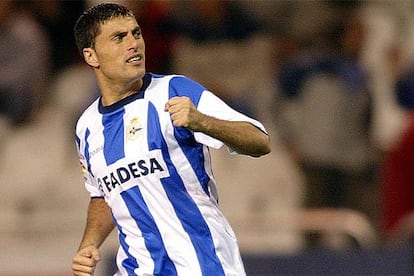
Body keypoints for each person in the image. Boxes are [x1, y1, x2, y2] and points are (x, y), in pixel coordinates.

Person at [71, 3, 271, 276]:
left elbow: (259, 141)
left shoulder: (174, 90)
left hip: (202, 265)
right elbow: (104, 194)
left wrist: (202, 122)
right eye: (119, 37)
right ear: (91, 56)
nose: (134, 44)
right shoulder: (87, 127)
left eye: (136, 33)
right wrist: (89, 245)